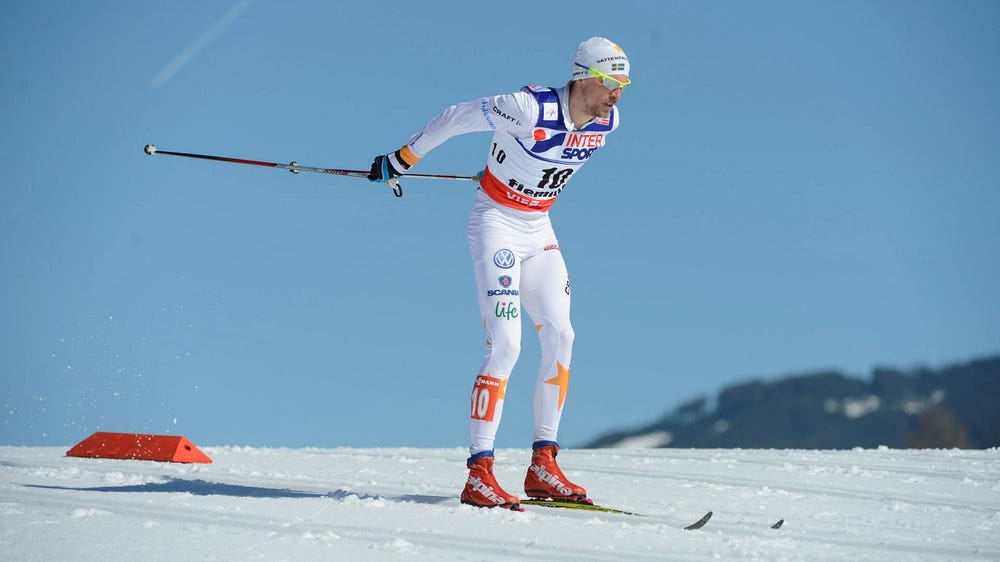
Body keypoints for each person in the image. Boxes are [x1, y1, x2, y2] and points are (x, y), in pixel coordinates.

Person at [368, 37, 631, 510]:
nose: (618, 95)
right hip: (496, 225)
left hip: (539, 227)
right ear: (584, 77)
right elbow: (454, 117)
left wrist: (508, 166)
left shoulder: (609, 120)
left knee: (561, 334)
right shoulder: (527, 107)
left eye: (625, 85)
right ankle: (479, 473)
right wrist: (403, 159)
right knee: (507, 344)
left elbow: (546, 162)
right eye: (612, 83)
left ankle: (542, 465)